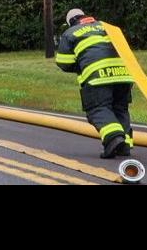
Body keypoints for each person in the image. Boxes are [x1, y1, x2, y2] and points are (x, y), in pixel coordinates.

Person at [55, 8, 135, 158]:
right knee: (120, 108)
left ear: (70, 22)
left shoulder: (70, 33)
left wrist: (82, 65)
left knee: (97, 109)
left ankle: (113, 139)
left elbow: (63, 62)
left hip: (98, 76)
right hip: (124, 75)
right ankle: (125, 146)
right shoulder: (107, 27)